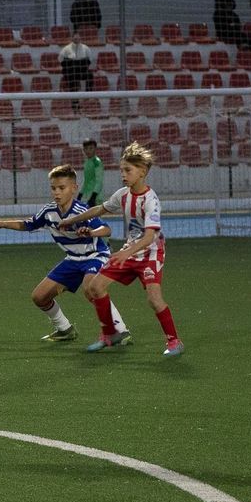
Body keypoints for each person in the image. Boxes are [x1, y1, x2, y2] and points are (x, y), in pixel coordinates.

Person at [58, 143, 183, 358]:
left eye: (128, 170)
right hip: (129, 251)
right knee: (95, 287)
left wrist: (126, 253)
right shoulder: (122, 194)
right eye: (121, 170)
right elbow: (100, 209)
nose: (123, 175)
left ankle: (174, 340)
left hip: (150, 253)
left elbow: (150, 236)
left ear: (142, 171)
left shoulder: (151, 201)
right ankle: (110, 334)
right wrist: (72, 219)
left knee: (154, 299)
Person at [0, 164, 129, 344]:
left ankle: (120, 330)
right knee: (39, 297)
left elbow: (106, 230)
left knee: (91, 288)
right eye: (53, 188)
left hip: (95, 255)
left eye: (62, 188)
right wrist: (3, 223)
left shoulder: (81, 211)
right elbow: (28, 224)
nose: (57, 192)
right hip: (72, 260)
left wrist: (91, 232)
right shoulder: (49, 212)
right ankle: (64, 329)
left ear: (74, 188)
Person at [79, 138, 105, 207]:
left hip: (96, 197)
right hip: (88, 196)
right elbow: (86, 180)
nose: (88, 151)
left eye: (91, 148)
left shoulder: (97, 162)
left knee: (95, 217)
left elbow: (99, 181)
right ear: (83, 150)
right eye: (86, 148)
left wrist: (94, 196)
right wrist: (80, 194)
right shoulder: (86, 162)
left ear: (95, 149)